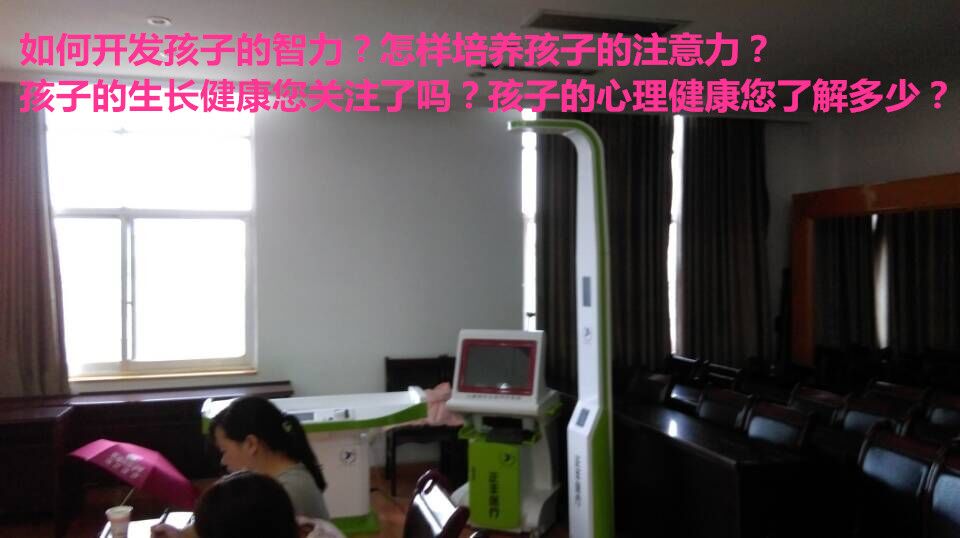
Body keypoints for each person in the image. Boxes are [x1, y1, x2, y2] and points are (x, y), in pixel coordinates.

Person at [206, 396, 330, 519]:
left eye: (224, 451)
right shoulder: (282, 483)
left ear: (251, 444)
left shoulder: (287, 492)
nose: (223, 461)